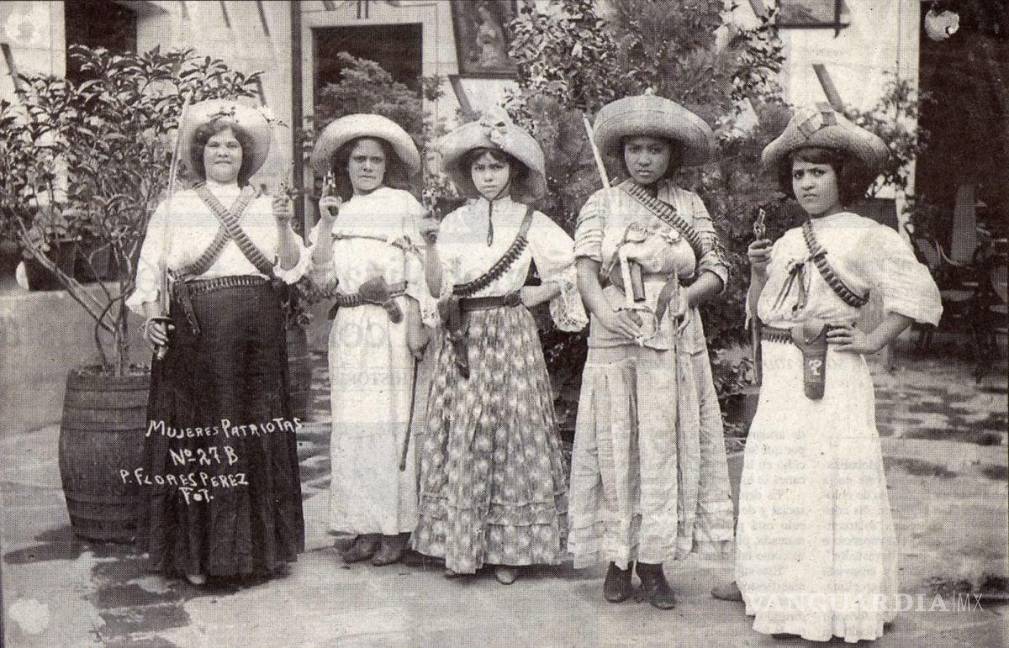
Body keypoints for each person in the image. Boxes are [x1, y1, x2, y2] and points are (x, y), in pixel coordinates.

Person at [716, 104, 942, 642]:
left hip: (831, 374)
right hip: (781, 376)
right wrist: (756, 272)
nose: (807, 184)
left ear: (846, 176)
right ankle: (766, 584)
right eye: (799, 173)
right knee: (777, 475)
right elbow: (762, 311)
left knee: (826, 480)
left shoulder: (868, 235)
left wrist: (871, 340)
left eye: (819, 172)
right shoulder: (789, 241)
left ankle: (830, 604)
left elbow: (919, 293)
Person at [128, 99, 308, 585]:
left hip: (258, 335)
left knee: (254, 430)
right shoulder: (175, 207)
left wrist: (284, 223)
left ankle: (259, 554)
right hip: (196, 334)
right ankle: (197, 557)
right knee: (201, 435)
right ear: (199, 153)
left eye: (232, 145)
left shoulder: (267, 205)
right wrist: (153, 318)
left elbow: (290, 268)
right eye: (213, 145)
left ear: (245, 155)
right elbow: (152, 273)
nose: (223, 152)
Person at [569, 92, 735, 609]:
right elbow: (585, 272)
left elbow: (717, 269)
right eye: (634, 149)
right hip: (616, 338)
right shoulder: (601, 203)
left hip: (673, 335)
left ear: (672, 154)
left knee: (662, 445)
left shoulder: (689, 205)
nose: (643, 159)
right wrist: (604, 312)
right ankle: (618, 561)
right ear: (621, 153)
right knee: (618, 442)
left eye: (655, 150)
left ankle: (654, 563)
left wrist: (688, 295)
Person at [412, 110, 586, 584]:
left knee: (512, 433)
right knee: (466, 431)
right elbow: (436, 289)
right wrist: (430, 247)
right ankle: (462, 544)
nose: (487, 176)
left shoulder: (532, 221)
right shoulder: (453, 223)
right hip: (464, 334)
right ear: (467, 173)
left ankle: (511, 550)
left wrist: (540, 293)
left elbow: (575, 266)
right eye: (479, 167)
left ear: (514, 170)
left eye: (497, 166)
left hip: (511, 333)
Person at [307, 113, 436, 566]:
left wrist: (419, 324)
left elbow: (421, 268)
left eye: (375, 160)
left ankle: (396, 528)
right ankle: (363, 526)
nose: (366, 167)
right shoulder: (336, 212)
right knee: (354, 426)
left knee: (391, 425)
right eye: (358, 159)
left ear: (387, 165)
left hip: (393, 326)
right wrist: (325, 225)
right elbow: (321, 280)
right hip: (351, 330)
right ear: (345, 165)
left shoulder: (403, 205)